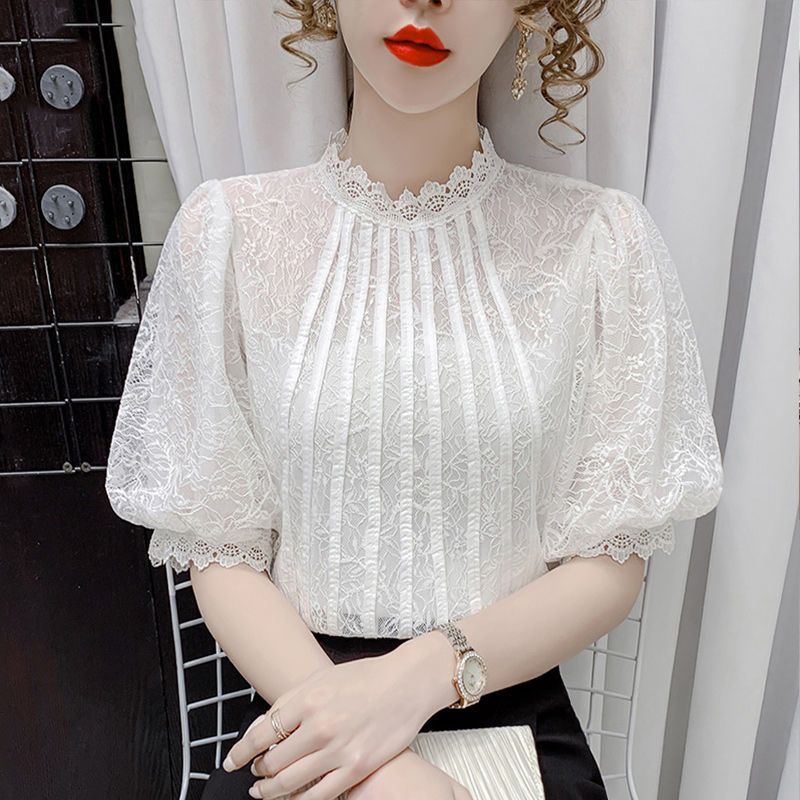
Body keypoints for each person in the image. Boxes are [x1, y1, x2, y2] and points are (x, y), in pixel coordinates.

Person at [105, 1, 725, 798]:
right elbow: (222, 549)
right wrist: (383, 768)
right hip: (301, 714)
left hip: (510, 707)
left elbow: (611, 560)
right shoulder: (228, 233)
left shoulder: (599, 243)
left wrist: (422, 677)